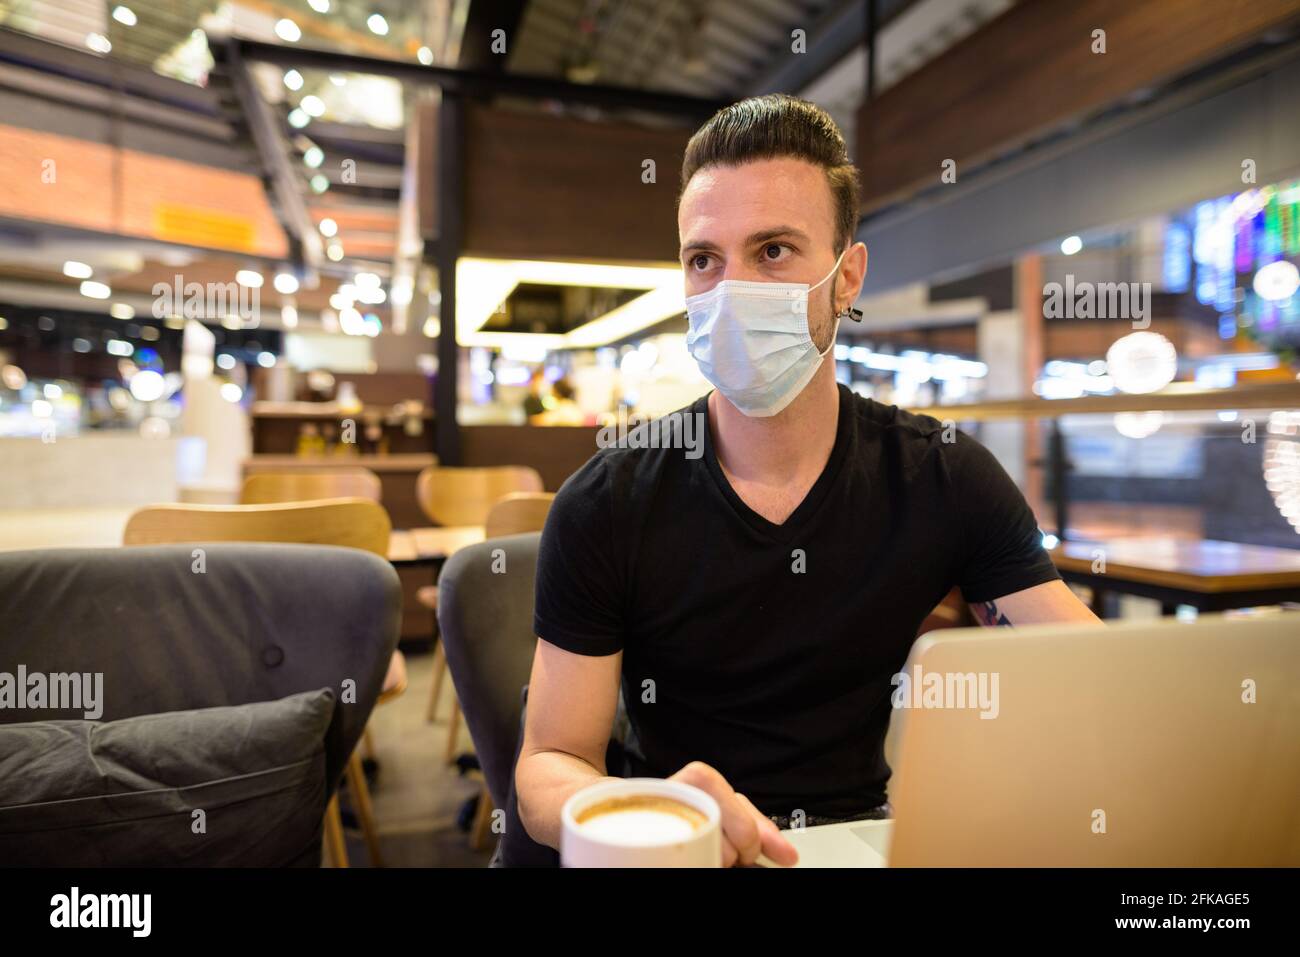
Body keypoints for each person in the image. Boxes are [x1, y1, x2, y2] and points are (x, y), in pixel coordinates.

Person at [515, 94, 1102, 868]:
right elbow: (546, 766)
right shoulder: (608, 502)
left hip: (869, 839)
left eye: (773, 250)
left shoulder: (941, 474)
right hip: (680, 844)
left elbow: (1100, 688)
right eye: (704, 260)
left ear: (846, 275)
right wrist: (661, 811)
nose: (731, 290)